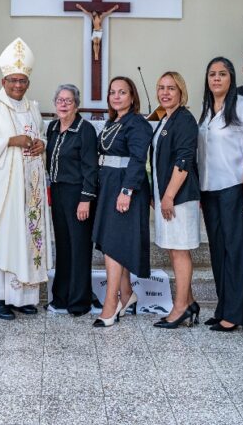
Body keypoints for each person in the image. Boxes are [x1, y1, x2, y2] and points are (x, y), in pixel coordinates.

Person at [0, 37, 54, 320]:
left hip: (29, 192)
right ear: (4, 80)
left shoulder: (32, 107)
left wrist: (41, 143)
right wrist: (9, 140)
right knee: (5, 239)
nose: (18, 85)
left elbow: (37, 136)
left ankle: (22, 297)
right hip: (2, 191)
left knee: (28, 239)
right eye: (13, 80)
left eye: (23, 81)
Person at [197, 57, 243, 331]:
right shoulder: (205, 110)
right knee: (218, 251)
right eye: (212, 74)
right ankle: (224, 306)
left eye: (222, 73)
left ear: (232, 78)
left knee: (236, 250)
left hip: (236, 188)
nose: (216, 78)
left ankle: (236, 313)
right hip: (209, 189)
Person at [91, 77, 151, 326]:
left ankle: (111, 302)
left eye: (122, 92)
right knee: (111, 242)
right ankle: (127, 295)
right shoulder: (111, 122)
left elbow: (138, 159)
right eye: (112, 92)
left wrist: (126, 190)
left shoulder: (137, 123)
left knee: (115, 243)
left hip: (125, 186)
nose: (116, 97)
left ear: (132, 96)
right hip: (108, 185)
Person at [149, 71, 201, 329]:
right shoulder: (166, 119)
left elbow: (184, 160)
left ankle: (179, 308)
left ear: (181, 92)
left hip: (178, 198)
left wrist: (168, 196)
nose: (165, 93)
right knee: (173, 249)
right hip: (167, 197)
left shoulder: (185, 120)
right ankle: (189, 303)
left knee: (180, 251)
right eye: (161, 88)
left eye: (171, 88)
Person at [46, 84, 98, 317]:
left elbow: (90, 168)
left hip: (78, 194)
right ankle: (61, 297)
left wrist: (86, 199)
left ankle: (79, 301)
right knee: (64, 247)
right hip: (58, 193)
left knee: (79, 247)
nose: (64, 104)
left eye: (69, 101)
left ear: (76, 105)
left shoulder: (85, 129)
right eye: (60, 100)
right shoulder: (52, 127)